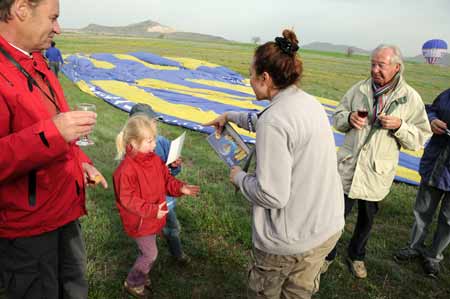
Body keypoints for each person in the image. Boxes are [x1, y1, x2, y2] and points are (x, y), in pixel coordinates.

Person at [205, 29, 344, 299]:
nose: (249, 79)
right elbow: (266, 121)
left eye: (251, 73)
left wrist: (238, 177)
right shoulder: (307, 102)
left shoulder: (275, 120)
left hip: (289, 241)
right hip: (325, 228)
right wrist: (229, 116)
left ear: (265, 78)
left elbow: (272, 194)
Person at [0, 1, 108, 298]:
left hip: (64, 211)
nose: (58, 28)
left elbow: (57, 128)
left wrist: (82, 162)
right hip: (28, 230)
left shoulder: (38, 62)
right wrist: (53, 133)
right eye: (53, 18)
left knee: (74, 289)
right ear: (21, 9)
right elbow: (51, 132)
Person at [323, 44, 432, 279]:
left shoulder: (409, 98)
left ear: (396, 67)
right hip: (348, 167)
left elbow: (421, 138)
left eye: (380, 65)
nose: (374, 69)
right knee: (335, 215)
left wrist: (400, 127)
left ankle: (356, 255)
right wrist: (349, 118)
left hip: (375, 172)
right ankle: (326, 255)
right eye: (372, 64)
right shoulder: (359, 89)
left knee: (366, 220)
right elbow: (337, 116)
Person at [113, 114, 200, 298]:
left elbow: (166, 179)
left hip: (152, 218)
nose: (154, 145)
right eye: (150, 141)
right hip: (140, 222)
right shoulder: (126, 170)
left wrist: (180, 187)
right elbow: (128, 199)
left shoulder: (153, 160)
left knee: (146, 251)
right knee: (150, 254)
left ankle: (143, 274)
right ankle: (133, 282)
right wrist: (153, 211)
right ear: (134, 144)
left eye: (154, 140)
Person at [394, 88, 450, 278]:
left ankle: (434, 257)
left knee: (448, 220)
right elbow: (429, 109)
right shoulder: (447, 94)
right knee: (423, 210)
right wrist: (432, 120)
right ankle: (414, 246)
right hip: (435, 164)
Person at [129, 103, 191, 265]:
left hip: (165, 202)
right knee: (146, 238)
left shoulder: (162, 142)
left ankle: (177, 254)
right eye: (151, 123)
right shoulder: (131, 151)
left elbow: (171, 172)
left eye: (155, 122)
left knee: (172, 228)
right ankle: (144, 263)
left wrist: (174, 166)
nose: (155, 126)